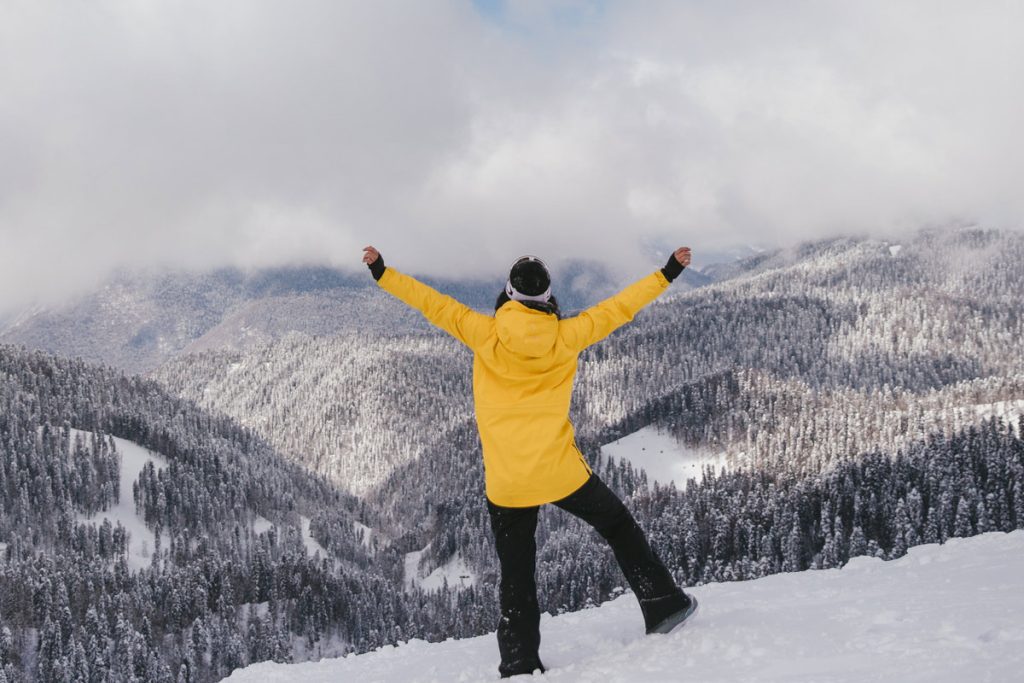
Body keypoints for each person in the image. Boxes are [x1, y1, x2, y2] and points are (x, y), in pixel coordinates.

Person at [362, 245, 697, 678]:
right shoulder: (567, 336)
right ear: (547, 298)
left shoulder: (483, 333)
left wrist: (382, 272)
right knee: (617, 526)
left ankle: (519, 659)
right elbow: (621, 308)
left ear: (509, 293)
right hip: (561, 473)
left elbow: (431, 302)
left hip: (506, 484)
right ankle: (662, 603)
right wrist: (668, 272)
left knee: (516, 572)